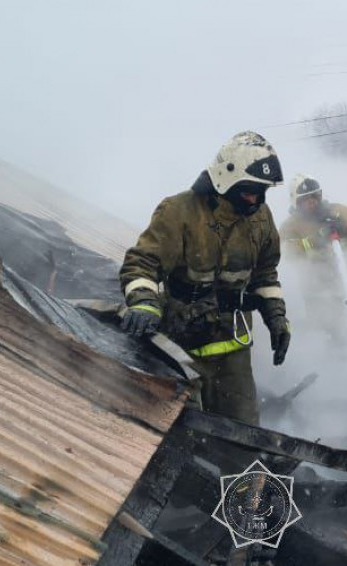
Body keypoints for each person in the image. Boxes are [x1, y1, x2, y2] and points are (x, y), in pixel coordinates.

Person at [118, 131, 290, 425]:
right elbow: (142, 263)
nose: (256, 199)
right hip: (178, 342)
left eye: (262, 191)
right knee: (180, 427)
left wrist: (276, 318)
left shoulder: (261, 218)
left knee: (242, 429)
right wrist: (144, 303)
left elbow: (265, 274)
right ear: (226, 179)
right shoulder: (180, 212)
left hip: (233, 347)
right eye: (249, 191)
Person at [279, 174, 347, 345]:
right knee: (329, 335)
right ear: (296, 201)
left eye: (315, 196)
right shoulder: (291, 225)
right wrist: (316, 239)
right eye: (306, 199)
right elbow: (286, 251)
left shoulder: (337, 211)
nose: (312, 202)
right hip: (318, 293)